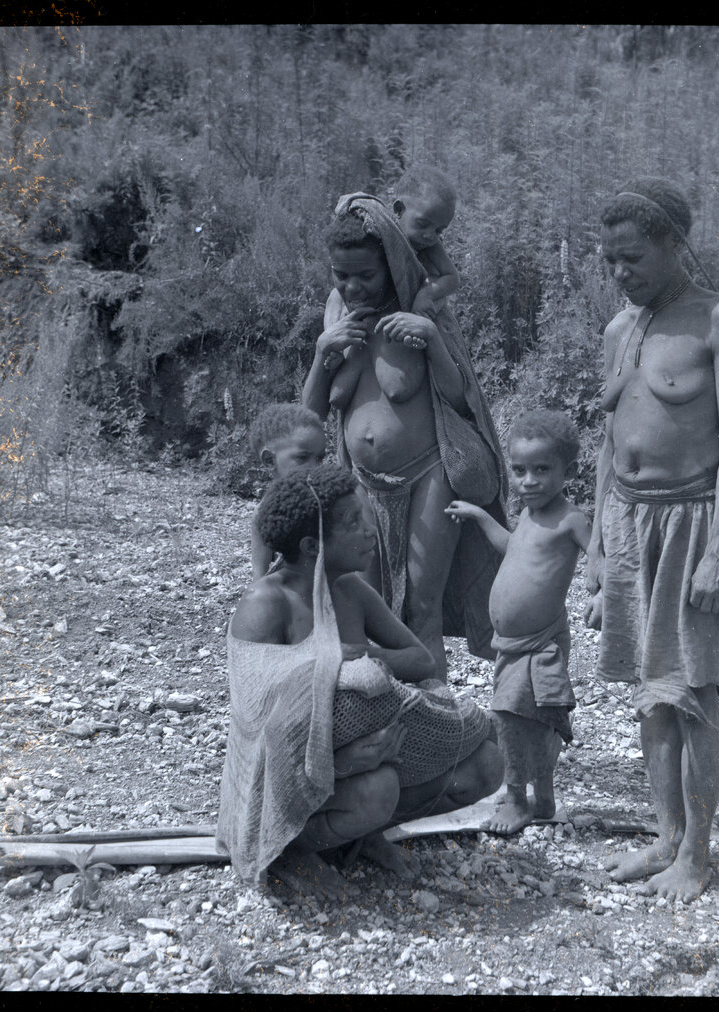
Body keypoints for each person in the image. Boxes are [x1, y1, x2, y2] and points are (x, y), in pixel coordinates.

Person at [585, 177, 719, 904]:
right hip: (630, 524)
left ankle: (696, 852)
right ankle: (663, 837)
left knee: (694, 696)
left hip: (696, 525)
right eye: (610, 262)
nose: (621, 274)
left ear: (673, 245)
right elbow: (607, 439)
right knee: (650, 696)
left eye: (632, 258)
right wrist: (598, 548)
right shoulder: (618, 329)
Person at [216, 463, 504, 886]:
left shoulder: (351, 591)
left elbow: (420, 661)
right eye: (354, 523)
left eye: (365, 517)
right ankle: (290, 850)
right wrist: (347, 762)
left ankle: (362, 836)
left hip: (369, 753)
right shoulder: (266, 603)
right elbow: (257, 727)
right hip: (285, 780)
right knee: (379, 789)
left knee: (486, 766)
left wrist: (360, 653)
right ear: (313, 545)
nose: (370, 531)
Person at [303, 193, 507, 681]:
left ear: (391, 266)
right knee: (362, 603)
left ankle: (434, 722)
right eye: (341, 276)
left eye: (366, 277)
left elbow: (462, 404)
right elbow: (309, 418)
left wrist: (431, 339)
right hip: (361, 481)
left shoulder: (421, 309)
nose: (352, 287)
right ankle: (379, 715)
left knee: (420, 604)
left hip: (427, 473)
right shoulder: (337, 319)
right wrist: (320, 354)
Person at [445, 409, 591, 835]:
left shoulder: (571, 519)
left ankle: (515, 800)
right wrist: (479, 516)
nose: (529, 481)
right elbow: (511, 548)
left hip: (539, 642)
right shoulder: (529, 515)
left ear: (568, 470)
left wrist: (600, 595)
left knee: (511, 717)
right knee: (535, 717)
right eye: (520, 470)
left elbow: (600, 559)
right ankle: (543, 800)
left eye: (542, 470)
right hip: (512, 644)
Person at [247, 402, 327, 580]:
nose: (315, 467)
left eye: (320, 458)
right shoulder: (265, 515)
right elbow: (259, 578)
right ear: (269, 461)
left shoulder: (328, 503)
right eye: (302, 458)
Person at [391, 165, 461, 319]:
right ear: (398, 210)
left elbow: (452, 277)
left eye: (439, 230)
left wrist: (426, 294)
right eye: (423, 224)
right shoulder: (385, 234)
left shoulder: (430, 246)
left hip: (414, 307)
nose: (430, 236)